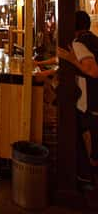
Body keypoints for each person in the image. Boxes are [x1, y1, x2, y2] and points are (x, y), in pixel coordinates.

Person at [58, 10, 98, 183]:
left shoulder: (79, 43)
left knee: (87, 136)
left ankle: (87, 176)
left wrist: (71, 59)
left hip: (91, 99)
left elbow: (92, 70)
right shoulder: (93, 39)